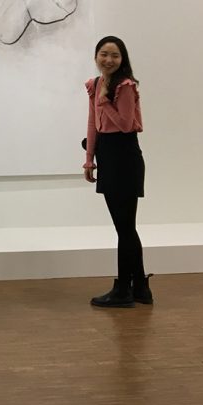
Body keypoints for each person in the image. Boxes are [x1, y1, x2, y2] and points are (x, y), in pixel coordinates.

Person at [83, 35, 152, 308]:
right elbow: (92, 124)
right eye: (104, 54)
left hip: (125, 155)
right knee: (124, 227)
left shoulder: (125, 86)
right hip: (107, 154)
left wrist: (104, 102)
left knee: (125, 228)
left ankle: (124, 289)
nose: (108, 60)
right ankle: (141, 288)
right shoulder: (97, 84)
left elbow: (125, 124)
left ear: (122, 59)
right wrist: (89, 160)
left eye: (114, 55)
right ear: (96, 56)